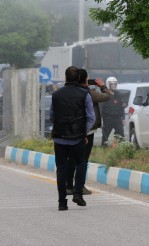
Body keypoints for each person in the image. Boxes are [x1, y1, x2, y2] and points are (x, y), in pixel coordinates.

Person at [51, 66, 95, 211]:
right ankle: (78, 193)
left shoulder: (56, 94)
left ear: (65, 78)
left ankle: (62, 202)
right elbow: (91, 117)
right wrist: (83, 132)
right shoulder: (85, 94)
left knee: (61, 169)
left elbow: (52, 116)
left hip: (59, 138)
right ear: (78, 78)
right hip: (78, 138)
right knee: (81, 163)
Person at [66, 69, 111, 196]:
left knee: (71, 159)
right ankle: (79, 187)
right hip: (87, 131)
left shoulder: (69, 92)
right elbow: (107, 96)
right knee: (82, 161)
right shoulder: (89, 93)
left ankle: (68, 186)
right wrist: (101, 85)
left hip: (71, 130)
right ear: (85, 80)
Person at [100, 76, 126, 147]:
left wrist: (123, 118)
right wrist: (101, 119)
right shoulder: (104, 95)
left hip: (117, 118)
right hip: (107, 118)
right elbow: (101, 108)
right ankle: (104, 149)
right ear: (108, 84)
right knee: (105, 135)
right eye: (112, 84)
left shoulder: (119, 94)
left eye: (115, 84)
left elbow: (122, 107)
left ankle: (123, 148)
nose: (114, 85)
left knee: (121, 134)